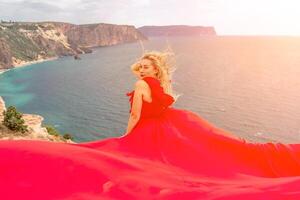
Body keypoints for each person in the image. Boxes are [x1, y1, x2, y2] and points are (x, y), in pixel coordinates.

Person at [1, 51, 300, 200]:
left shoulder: (142, 84)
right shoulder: (161, 82)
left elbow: (136, 115)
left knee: (137, 165)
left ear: (153, 68)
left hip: (151, 129)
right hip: (173, 123)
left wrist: (126, 137)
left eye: (146, 66)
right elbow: (165, 101)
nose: (142, 69)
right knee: (225, 151)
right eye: (140, 66)